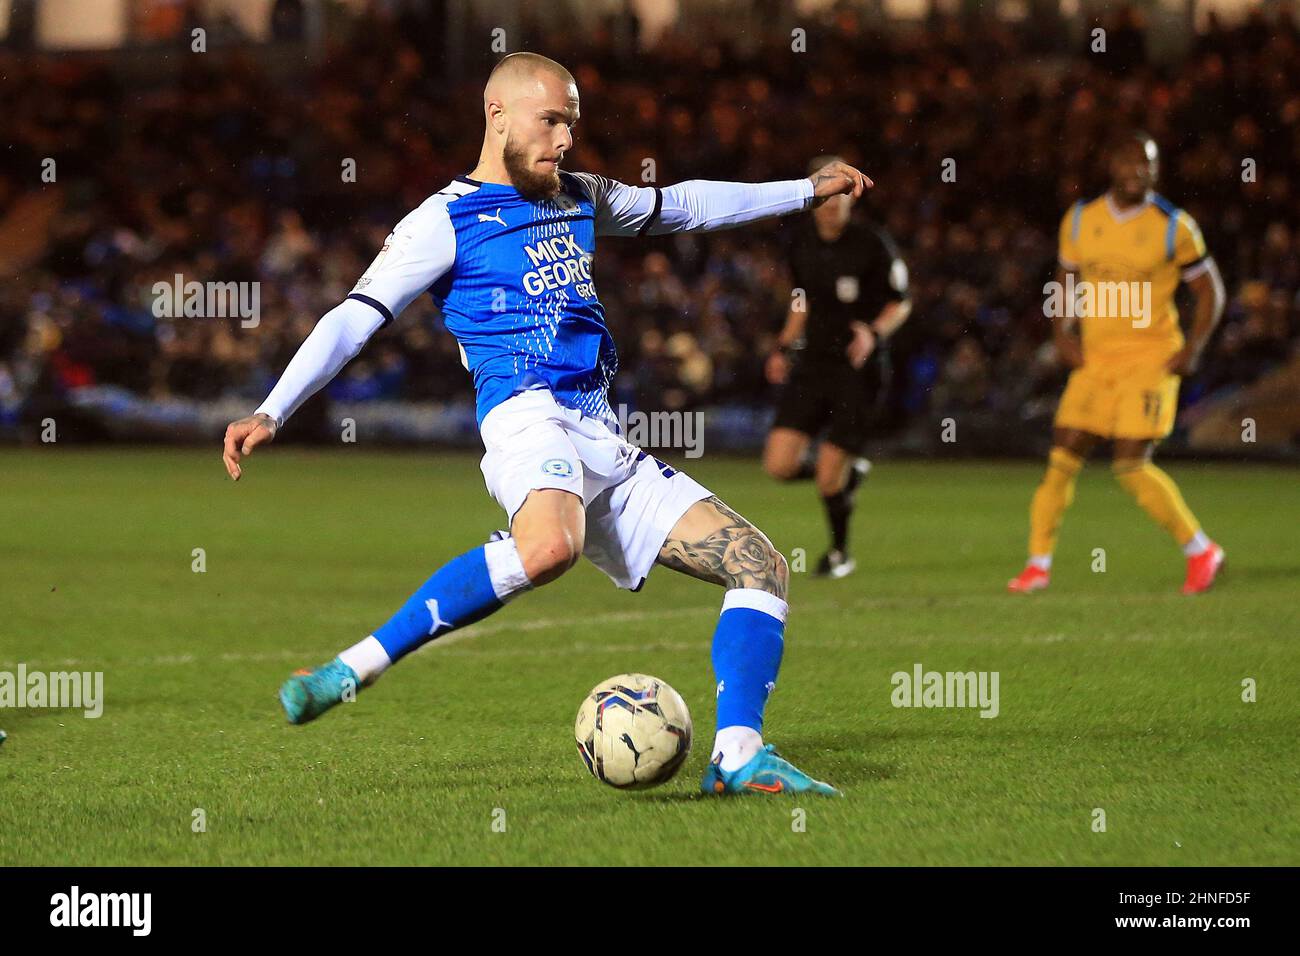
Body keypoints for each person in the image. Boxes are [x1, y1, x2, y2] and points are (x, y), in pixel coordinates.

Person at [222, 53, 873, 796]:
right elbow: (354, 318)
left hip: (601, 434)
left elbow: (686, 204)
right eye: (550, 120)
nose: (564, 139)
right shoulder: (443, 220)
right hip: (527, 417)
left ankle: (737, 756)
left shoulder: (580, 196)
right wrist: (273, 407)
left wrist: (802, 191)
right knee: (548, 549)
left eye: (571, 123)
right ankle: (349, 669)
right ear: (496, 115)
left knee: (761, 565)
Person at [1008, 132, 1226, 596]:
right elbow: (1065, 278)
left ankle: (1201, 550)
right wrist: (1060, 330)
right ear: (1111, 165)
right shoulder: (1082, 219)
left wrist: (1195, 348)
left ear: (1156, 169)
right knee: (1061, 459)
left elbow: (1210, 290)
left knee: (1130, 466)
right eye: (1129, 162)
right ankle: (1037, 566)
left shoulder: (1174, 226)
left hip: (1150, 360)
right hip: (1096, 360)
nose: (1137, 171)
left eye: (1147, 163)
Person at [763, 155, 911, 578]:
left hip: (855, 368)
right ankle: (844, 478)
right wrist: (782, 347)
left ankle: (839, 553)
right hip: (812, 365)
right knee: (779, 465)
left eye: (840, 192)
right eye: (824, 191)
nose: (832, 202)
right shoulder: (800, 241)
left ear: (852, 196)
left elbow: (901, 302)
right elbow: (800, 300)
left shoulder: (872, 243)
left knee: (828, 475)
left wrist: (874, 333)